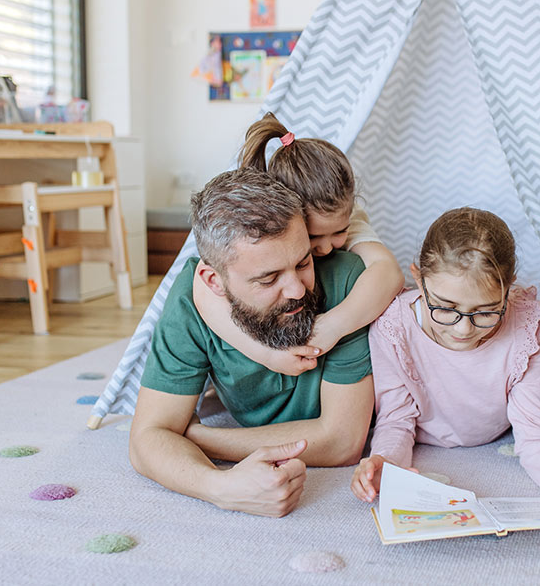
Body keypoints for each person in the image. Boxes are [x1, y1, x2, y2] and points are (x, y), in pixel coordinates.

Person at [130, 168, 375, 516]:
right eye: (268, 278)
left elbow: (342, 441)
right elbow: (147, 438)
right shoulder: (190, 300)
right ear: (213, 281)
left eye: (303, 262)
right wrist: (219, 487)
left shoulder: (348, 282)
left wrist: (202, 438)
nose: (297, 289)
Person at [350, 208, 540, 514]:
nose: (463, 329)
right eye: (445, 308)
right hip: (422, 441)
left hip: (497, 436)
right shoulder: (393, 326)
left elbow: (532, 428)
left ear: (509, 289)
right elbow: (396, 418)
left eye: (487, 312)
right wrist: (385, 462)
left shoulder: (528, 323)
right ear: (419, 280)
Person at [193, 112, 404, 376]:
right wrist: (266, 355)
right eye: (314, 237)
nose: (327, 248)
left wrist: (333, 326)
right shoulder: (262, 224)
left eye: (340, 231)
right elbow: (203, 288)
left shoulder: (344, 213)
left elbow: (388, 271)